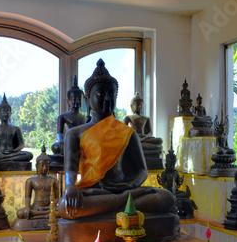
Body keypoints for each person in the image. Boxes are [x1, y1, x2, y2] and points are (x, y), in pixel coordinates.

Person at [58, 59, 174, 219]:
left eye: (112, 94)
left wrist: (132, 185)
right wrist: (70, 186)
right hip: (94, 192)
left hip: (125, 190)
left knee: (166, 197)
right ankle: (123, 204)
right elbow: (71, 168)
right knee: (65, 206)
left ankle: (118, 203)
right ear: (87, 100)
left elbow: (142, 170)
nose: (107, 99)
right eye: (100, 94)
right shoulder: (74, 133)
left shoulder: (127, 132)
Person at [0, 94, 33, 168]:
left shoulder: (16, 128)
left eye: (7, 111)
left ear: (11, 114)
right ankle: (8, 160)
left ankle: (5, 160)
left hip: (13, 152)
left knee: (29, 155)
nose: (5, 114)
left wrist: (15, 150)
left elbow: (22, 144)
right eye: (3, 112)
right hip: (0, 153)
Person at [17, 146, 60, 220]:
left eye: (47, 165)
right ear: (37, 166)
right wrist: (27, 208)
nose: (44, 168)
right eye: (42, 165)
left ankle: (40, 216)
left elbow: (57, 198)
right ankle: (46, 216)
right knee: (20, 213)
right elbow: (28, 197)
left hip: (49, 207)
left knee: (63, 212)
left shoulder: (54, 181)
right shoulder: (30, 181)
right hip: (35, 207)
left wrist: (51, 205)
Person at [51, 76, 87, 155]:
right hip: (68, 142)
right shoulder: (62, 116)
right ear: (68, 101)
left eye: (79, 100)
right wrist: (61, 141)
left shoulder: (85, 117)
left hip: (81, 143)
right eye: (74, 100)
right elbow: (59, 133)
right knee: (55, 147)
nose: (77, 102)